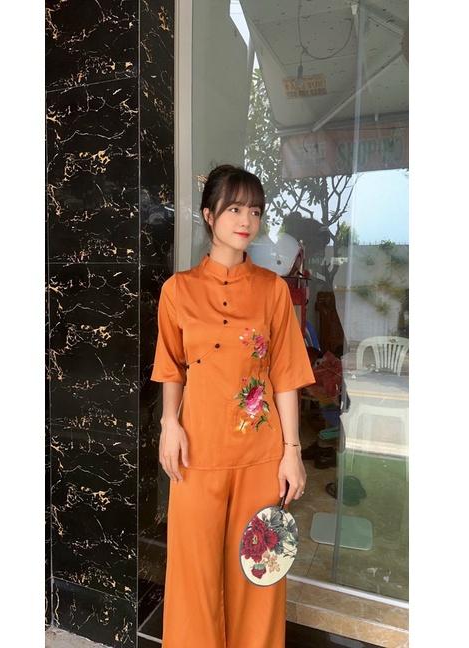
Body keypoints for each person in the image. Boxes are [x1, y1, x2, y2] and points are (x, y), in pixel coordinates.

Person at [150, 164, 316, 648]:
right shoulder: (178, 290)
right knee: (194, 577)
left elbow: (286, 374)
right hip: (196, 453)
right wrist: (169, 424)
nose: (247, 221)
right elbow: (171, 367)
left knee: (257, 577)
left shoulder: (273, 291)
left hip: (259, 457)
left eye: (256, 211)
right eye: (235, 209)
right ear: (209, 215)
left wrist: (292, 451)